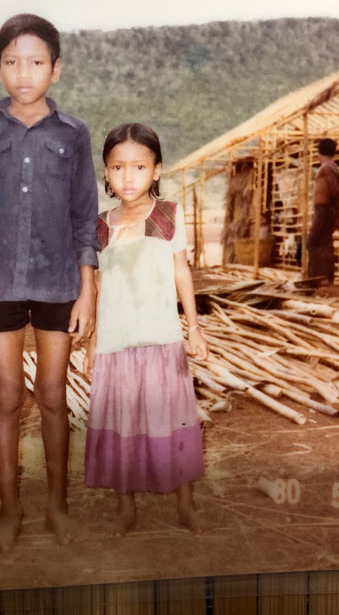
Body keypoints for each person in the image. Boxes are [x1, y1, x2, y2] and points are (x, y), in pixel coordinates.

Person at [0, 13, 98, 553]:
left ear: (55, 70)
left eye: (36, 62)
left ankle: (57, 506)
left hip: (59, 282)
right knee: (8, 394)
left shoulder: (74, 135)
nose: (24, 72)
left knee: (54, 395)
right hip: (0, 283)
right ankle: (9, 509)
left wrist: (88, 289)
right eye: (12, 62)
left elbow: (86, 216)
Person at [83, 123, 208, 537]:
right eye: (118, 167)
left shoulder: (169, 215)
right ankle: (125, 507)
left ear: (156, 170)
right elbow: (98, 287)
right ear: (105, 171)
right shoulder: (100, 225)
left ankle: (185, 502)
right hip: (116, 344)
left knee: (170, 418)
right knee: (122, 423)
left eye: (139, 166)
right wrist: (93, 342)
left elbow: (181, 272)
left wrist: (194, 329)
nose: (128, 176)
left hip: (161, 339)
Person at [305, 137, 339, 285]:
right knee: (325, 243)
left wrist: (337, 213)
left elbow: (335, 192)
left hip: (325, 209)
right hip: (324, 209)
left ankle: (317, 278)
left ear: (319, 152)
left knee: (312, 242)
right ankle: (326, 278)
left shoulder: (327, 168)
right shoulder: (330, 166)